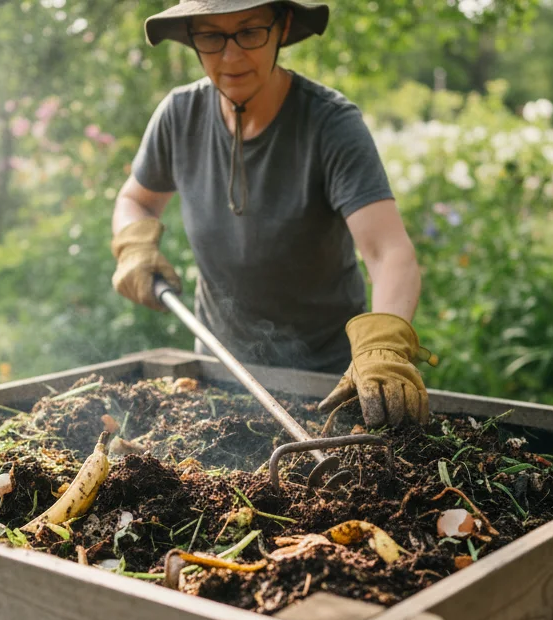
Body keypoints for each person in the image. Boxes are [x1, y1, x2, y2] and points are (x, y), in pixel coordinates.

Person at [109, 0, 436, 428]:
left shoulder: (330, 124)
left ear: (281, 27)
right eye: (210, 35)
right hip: (219, 370)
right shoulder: (179, 115)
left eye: (249, 32)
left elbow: (388, 251)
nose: (231, 55)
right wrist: (134, 246)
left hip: (328, 383)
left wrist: (384, 348)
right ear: (192, 39)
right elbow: (136, 198)